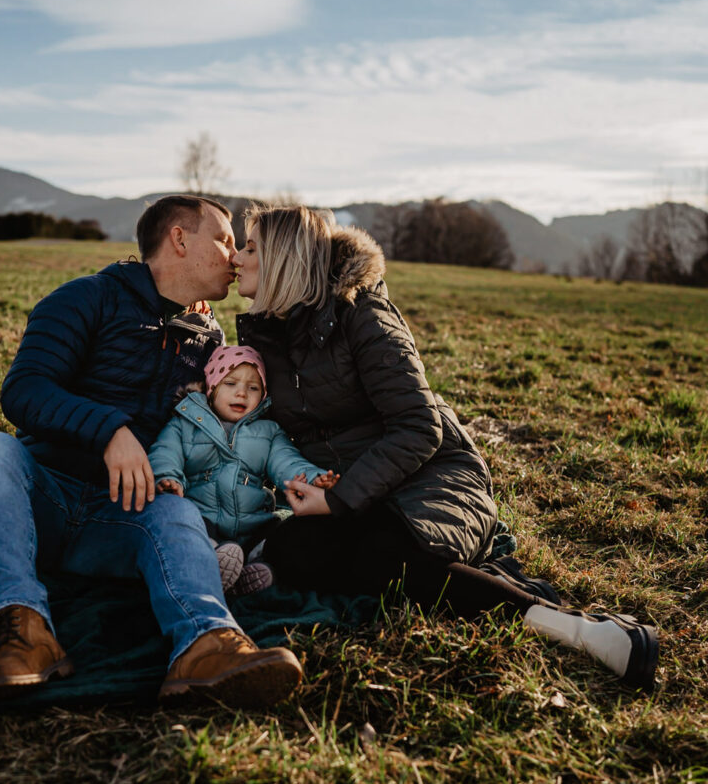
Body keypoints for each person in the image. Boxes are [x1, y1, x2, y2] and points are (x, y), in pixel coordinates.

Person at [231, 203, 659, 691]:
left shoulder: (362, 314)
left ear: (284, 259)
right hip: (357, 488)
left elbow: (418, 428)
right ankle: (457, 579)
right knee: (292, 553)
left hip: (431, 470)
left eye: (250, 248)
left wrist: (338, 499)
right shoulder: (268, 335)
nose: (238, 258)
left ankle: (577, 629)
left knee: (383, 559)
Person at [0, 195, 303, 708]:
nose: (235, 256)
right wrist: (110, 430)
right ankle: (24, 636)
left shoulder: (210, 340)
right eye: (225, 239)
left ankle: (207, 645)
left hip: (126, 517)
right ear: (180, 239)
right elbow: (25, 390)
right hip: (43, 501)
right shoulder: (85, 298)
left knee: (177, 511)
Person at [147, 344, 338, 595]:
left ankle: (253, 566)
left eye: (253, 388)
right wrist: (168, 478)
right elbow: (164, 453)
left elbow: (288, 462)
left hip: (252, 523)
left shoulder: (268, 431)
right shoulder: (186, 422)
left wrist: (312, 479)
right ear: (212, 387)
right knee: (191, 528)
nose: (241, 394)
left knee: (279, 532)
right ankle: (212, 560)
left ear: (264, 394)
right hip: (203, 515)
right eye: (230, 384)